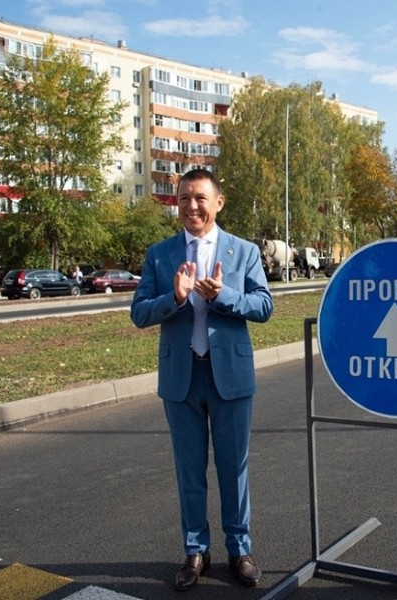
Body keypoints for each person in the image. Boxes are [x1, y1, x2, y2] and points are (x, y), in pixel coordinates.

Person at [130, 168, 273, 591]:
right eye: (184, 198)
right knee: (189, 470)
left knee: (234, 469)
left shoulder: (244, 252)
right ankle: (195, 551)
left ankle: (239, 550)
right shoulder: (160, 254)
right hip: (182, 377)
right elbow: (139, 313)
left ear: (218, 203)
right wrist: (174, 298)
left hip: (230, 375)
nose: (192, 206)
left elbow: (264, 306)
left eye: (200, 198)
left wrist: (222, 296)